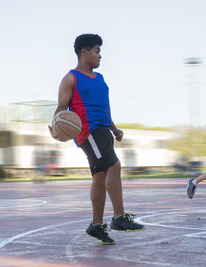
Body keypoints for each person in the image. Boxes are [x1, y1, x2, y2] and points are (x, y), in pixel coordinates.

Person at [49, 34, 144, 245]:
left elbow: (103, 109)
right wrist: (57, 130)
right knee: (114, 165)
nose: (100, 55)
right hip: (88, 131)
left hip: (103, 130)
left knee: (100, 175)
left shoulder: (100, 79)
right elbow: (61, 109)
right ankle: (119, 217)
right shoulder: (71, 78)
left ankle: (96, 225)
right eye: (97, 51)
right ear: (84, 52)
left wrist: (115, 129)